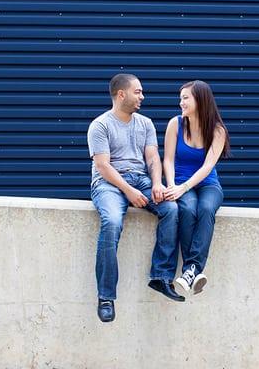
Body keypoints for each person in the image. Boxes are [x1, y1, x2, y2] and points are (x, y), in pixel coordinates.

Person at [87, 73, 184, 323]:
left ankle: (161, 276)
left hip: (140, 179)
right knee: (111, 222)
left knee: (171, 209)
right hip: (109, 183)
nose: (142, 96)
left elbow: (152, 158)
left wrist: (156, 184)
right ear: (121, 94)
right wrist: (129, 192)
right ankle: (106, 296)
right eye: (137, 92)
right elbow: (103, 166)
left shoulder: (146, 123)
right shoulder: (100, 125)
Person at [163, 80, 230, 296]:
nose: (181, 102)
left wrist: (183, 187)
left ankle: (190, 269)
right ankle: (194, 270)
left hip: (208, 183)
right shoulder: (175, 124)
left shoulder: (217, 130)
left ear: (200, 100)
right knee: (188, 209)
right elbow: (168, 160)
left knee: (206, 209)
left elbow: (208, 166)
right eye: (180, 98)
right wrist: (172, 185)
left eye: (185, 98)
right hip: (180, 183)